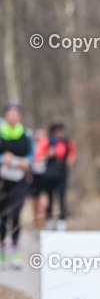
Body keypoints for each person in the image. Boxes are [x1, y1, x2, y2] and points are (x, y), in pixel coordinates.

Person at [0, 103, 34, 268]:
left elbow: (32, 155)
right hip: (2, 181)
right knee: (2, 216)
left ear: (19, 116)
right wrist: (3, 160)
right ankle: (1, 253)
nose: (12, 117)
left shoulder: (26, 134)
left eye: (15, 114)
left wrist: (25, 162)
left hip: (20, 180)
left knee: (16, 214)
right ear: (5, 116)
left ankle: (14, 253)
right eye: (9, 114)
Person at [32, 122, 76, 230]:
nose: (60, 133)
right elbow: (38, 156)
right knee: (49, 198)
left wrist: (70, 160)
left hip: (62, 174)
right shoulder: (47, 141)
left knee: (62, 198)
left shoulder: (67, 142)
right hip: (48, 175)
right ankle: (49, 219)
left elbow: (72, 154)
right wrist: (48, 154)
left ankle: (62, 220)